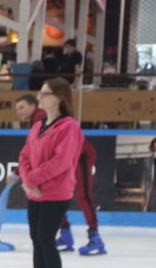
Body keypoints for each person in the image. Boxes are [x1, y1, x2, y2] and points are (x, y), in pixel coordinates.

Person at [11, 79, 85, 268]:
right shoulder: (38, 125)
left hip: (55, 191)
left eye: (45, 93)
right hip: (35, 192)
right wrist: (28, 179)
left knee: (45, 238)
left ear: (59, 98)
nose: (39, 97)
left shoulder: (69, 127)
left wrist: (33, 180)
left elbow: (61, 162)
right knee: (37, 238)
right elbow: (25, 154)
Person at [14, 94, 106, 254]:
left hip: (81, 155)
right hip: (68, 157)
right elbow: (33, 152)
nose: (19, 112)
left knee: (82, 194)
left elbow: (43, 153)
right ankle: (66, 233)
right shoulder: (37, 121)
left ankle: (94, 236)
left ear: (33, 105)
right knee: (52, 192)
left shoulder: (42, 117)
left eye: (21, 107)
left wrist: (24, 176)